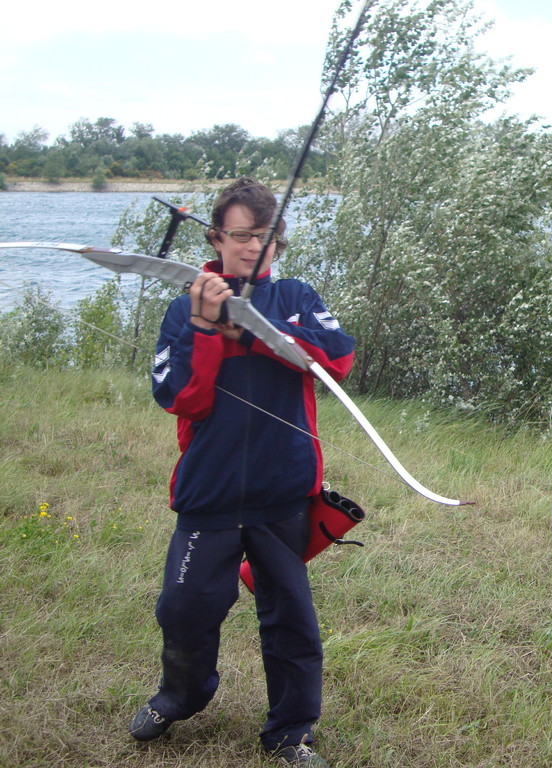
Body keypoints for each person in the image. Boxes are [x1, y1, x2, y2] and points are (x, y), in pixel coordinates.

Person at [130, 178, 356, 768]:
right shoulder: (184, 306)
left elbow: (338, 357)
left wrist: (258, 333)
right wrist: (207, 329)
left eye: (264, 236)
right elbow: (181, 398)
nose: (252, 247)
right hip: (209, 492)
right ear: (215, 237)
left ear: (278, 241)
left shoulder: (296, 297)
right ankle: (182, 694)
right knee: (183, 608)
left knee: (292, 621)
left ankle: (290, 732)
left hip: (284, 493)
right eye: (239, 236)